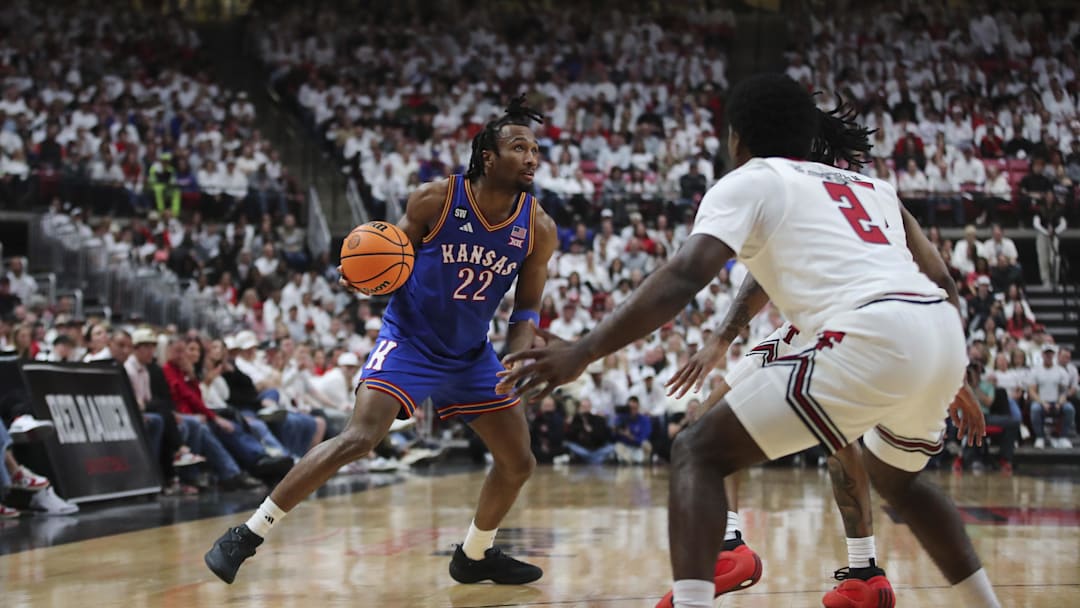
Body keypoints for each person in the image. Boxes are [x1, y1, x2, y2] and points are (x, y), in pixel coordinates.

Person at [498, 75, 1000, 608]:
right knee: (900, 484)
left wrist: (582, 350)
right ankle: (929, 589)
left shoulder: (751, 180)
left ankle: (725, 559)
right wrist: (950, 373)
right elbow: (943, 283)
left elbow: (685, 276)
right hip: (936, 330)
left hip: (865, 328)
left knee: (695, 450)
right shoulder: (871, 188)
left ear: (735, 136)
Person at [205, 96, 558, 586]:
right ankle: (246, 534)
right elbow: (389, 253)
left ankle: (475, 555)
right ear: (488, 158)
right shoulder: (436, 199)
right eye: (520, 147)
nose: (533, 158)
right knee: (360, 437)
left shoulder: (537, 226)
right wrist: (367, 275)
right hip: (410, 339)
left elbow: (525, 309)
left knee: (519, 461)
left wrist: (518, 356)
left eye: (537, 150)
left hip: (471, 353)